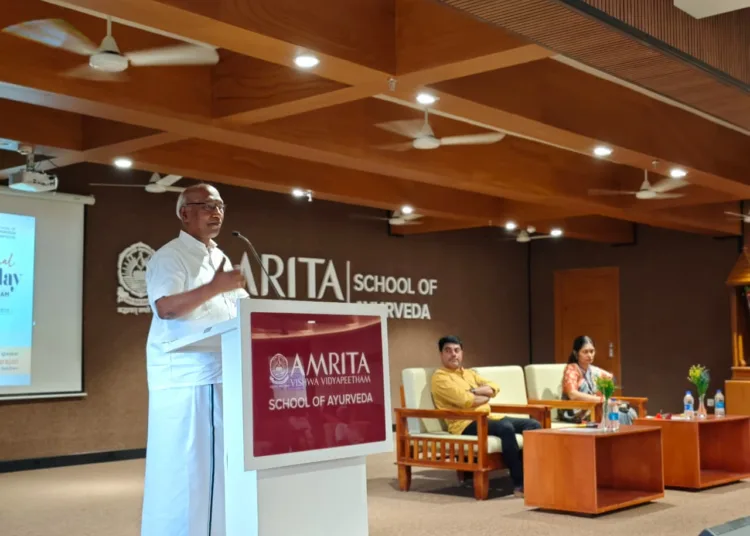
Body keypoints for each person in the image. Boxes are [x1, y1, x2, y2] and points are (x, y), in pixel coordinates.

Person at [141, 183, 249, 536]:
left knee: (214, 473)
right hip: (190, 379)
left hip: (222, 374)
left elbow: (239, 309)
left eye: (220, 206)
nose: (216, 212)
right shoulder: (170, 257)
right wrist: (216, 287)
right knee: (187, 474)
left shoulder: (219, 258)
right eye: (207, 205)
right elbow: (166, 308)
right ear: (184, 213)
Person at [430, 335, 541, 497]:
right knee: (505, 427)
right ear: (441, 354)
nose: (453, 354)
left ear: (462, 353)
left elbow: (494, 387)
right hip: (464, 424)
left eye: (457, 350)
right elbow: (465, 400)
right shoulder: (440, 378)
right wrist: (483, 396)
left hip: (487, 417)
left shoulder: (469, 373)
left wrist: (474, 391)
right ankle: (520, 484)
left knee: (533, 425)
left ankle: (534, 475)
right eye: (448, 351)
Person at [560, 335, 637, 425]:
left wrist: (604, 393)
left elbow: (611, 378)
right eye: (585, 352)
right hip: (576, 413)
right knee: (619, 415)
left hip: (594, 409)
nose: (589, 355)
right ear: (576, 353)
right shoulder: (571, 369)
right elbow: (572, 394)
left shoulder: (593, 370)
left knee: (628, 412)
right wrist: (600, 399)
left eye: (592, 351)